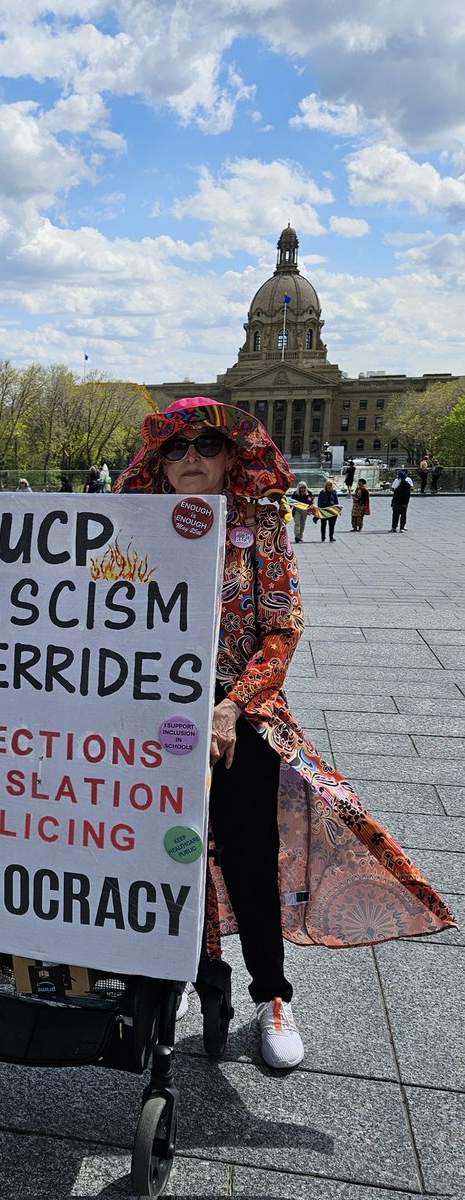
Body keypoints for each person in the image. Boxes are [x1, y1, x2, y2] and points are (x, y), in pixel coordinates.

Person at [116, 397, 455, 1070]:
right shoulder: (132, 528)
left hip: (237, 720)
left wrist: (229, 707)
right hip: (148, 715)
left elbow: (281, 627)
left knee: (246, 857)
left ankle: (272, 994)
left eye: (205, 446)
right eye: (175, 448)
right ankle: (186, 970)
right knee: (160, 853)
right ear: (158, 461)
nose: (190, 458)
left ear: (229, 458)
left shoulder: (260, 523)